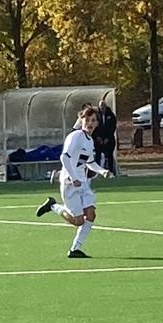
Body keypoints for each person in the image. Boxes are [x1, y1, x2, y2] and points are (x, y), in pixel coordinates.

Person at [35, 105, 110, 258]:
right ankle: (53, 206)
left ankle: (75, 248)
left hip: (83, 183)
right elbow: (64, 157)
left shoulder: (89, 141)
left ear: (97, 123)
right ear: (81, 121)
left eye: (93, 120)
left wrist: (102, 171)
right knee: (78, 221)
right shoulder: (75, 136)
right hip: (70, 182)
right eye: (87, 120)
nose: (90, 123)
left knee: (91, 214)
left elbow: (89, 162)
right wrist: (74, 178)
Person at [92, 99, 119, 175]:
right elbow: (94, 127)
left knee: (110, 155)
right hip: (98, 139)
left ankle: (110, 171)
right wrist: (97, 137)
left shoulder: (111, 115)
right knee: (98, 155)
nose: (102, 108)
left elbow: (112, 127)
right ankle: (97, 172)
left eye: (103, 106)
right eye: (101, 106)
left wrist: (108, 138)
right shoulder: (96, 115)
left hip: (109, 139)